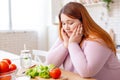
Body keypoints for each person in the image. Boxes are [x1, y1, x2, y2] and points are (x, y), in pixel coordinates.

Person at [45, 2, 120, 80]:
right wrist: (65, 45)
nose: (66, 27)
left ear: (83, 22)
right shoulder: (67, 36)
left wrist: (73, 44)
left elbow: (86, 72)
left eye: (70, 23)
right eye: (63, 23)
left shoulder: (97, 40)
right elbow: (49, 63)